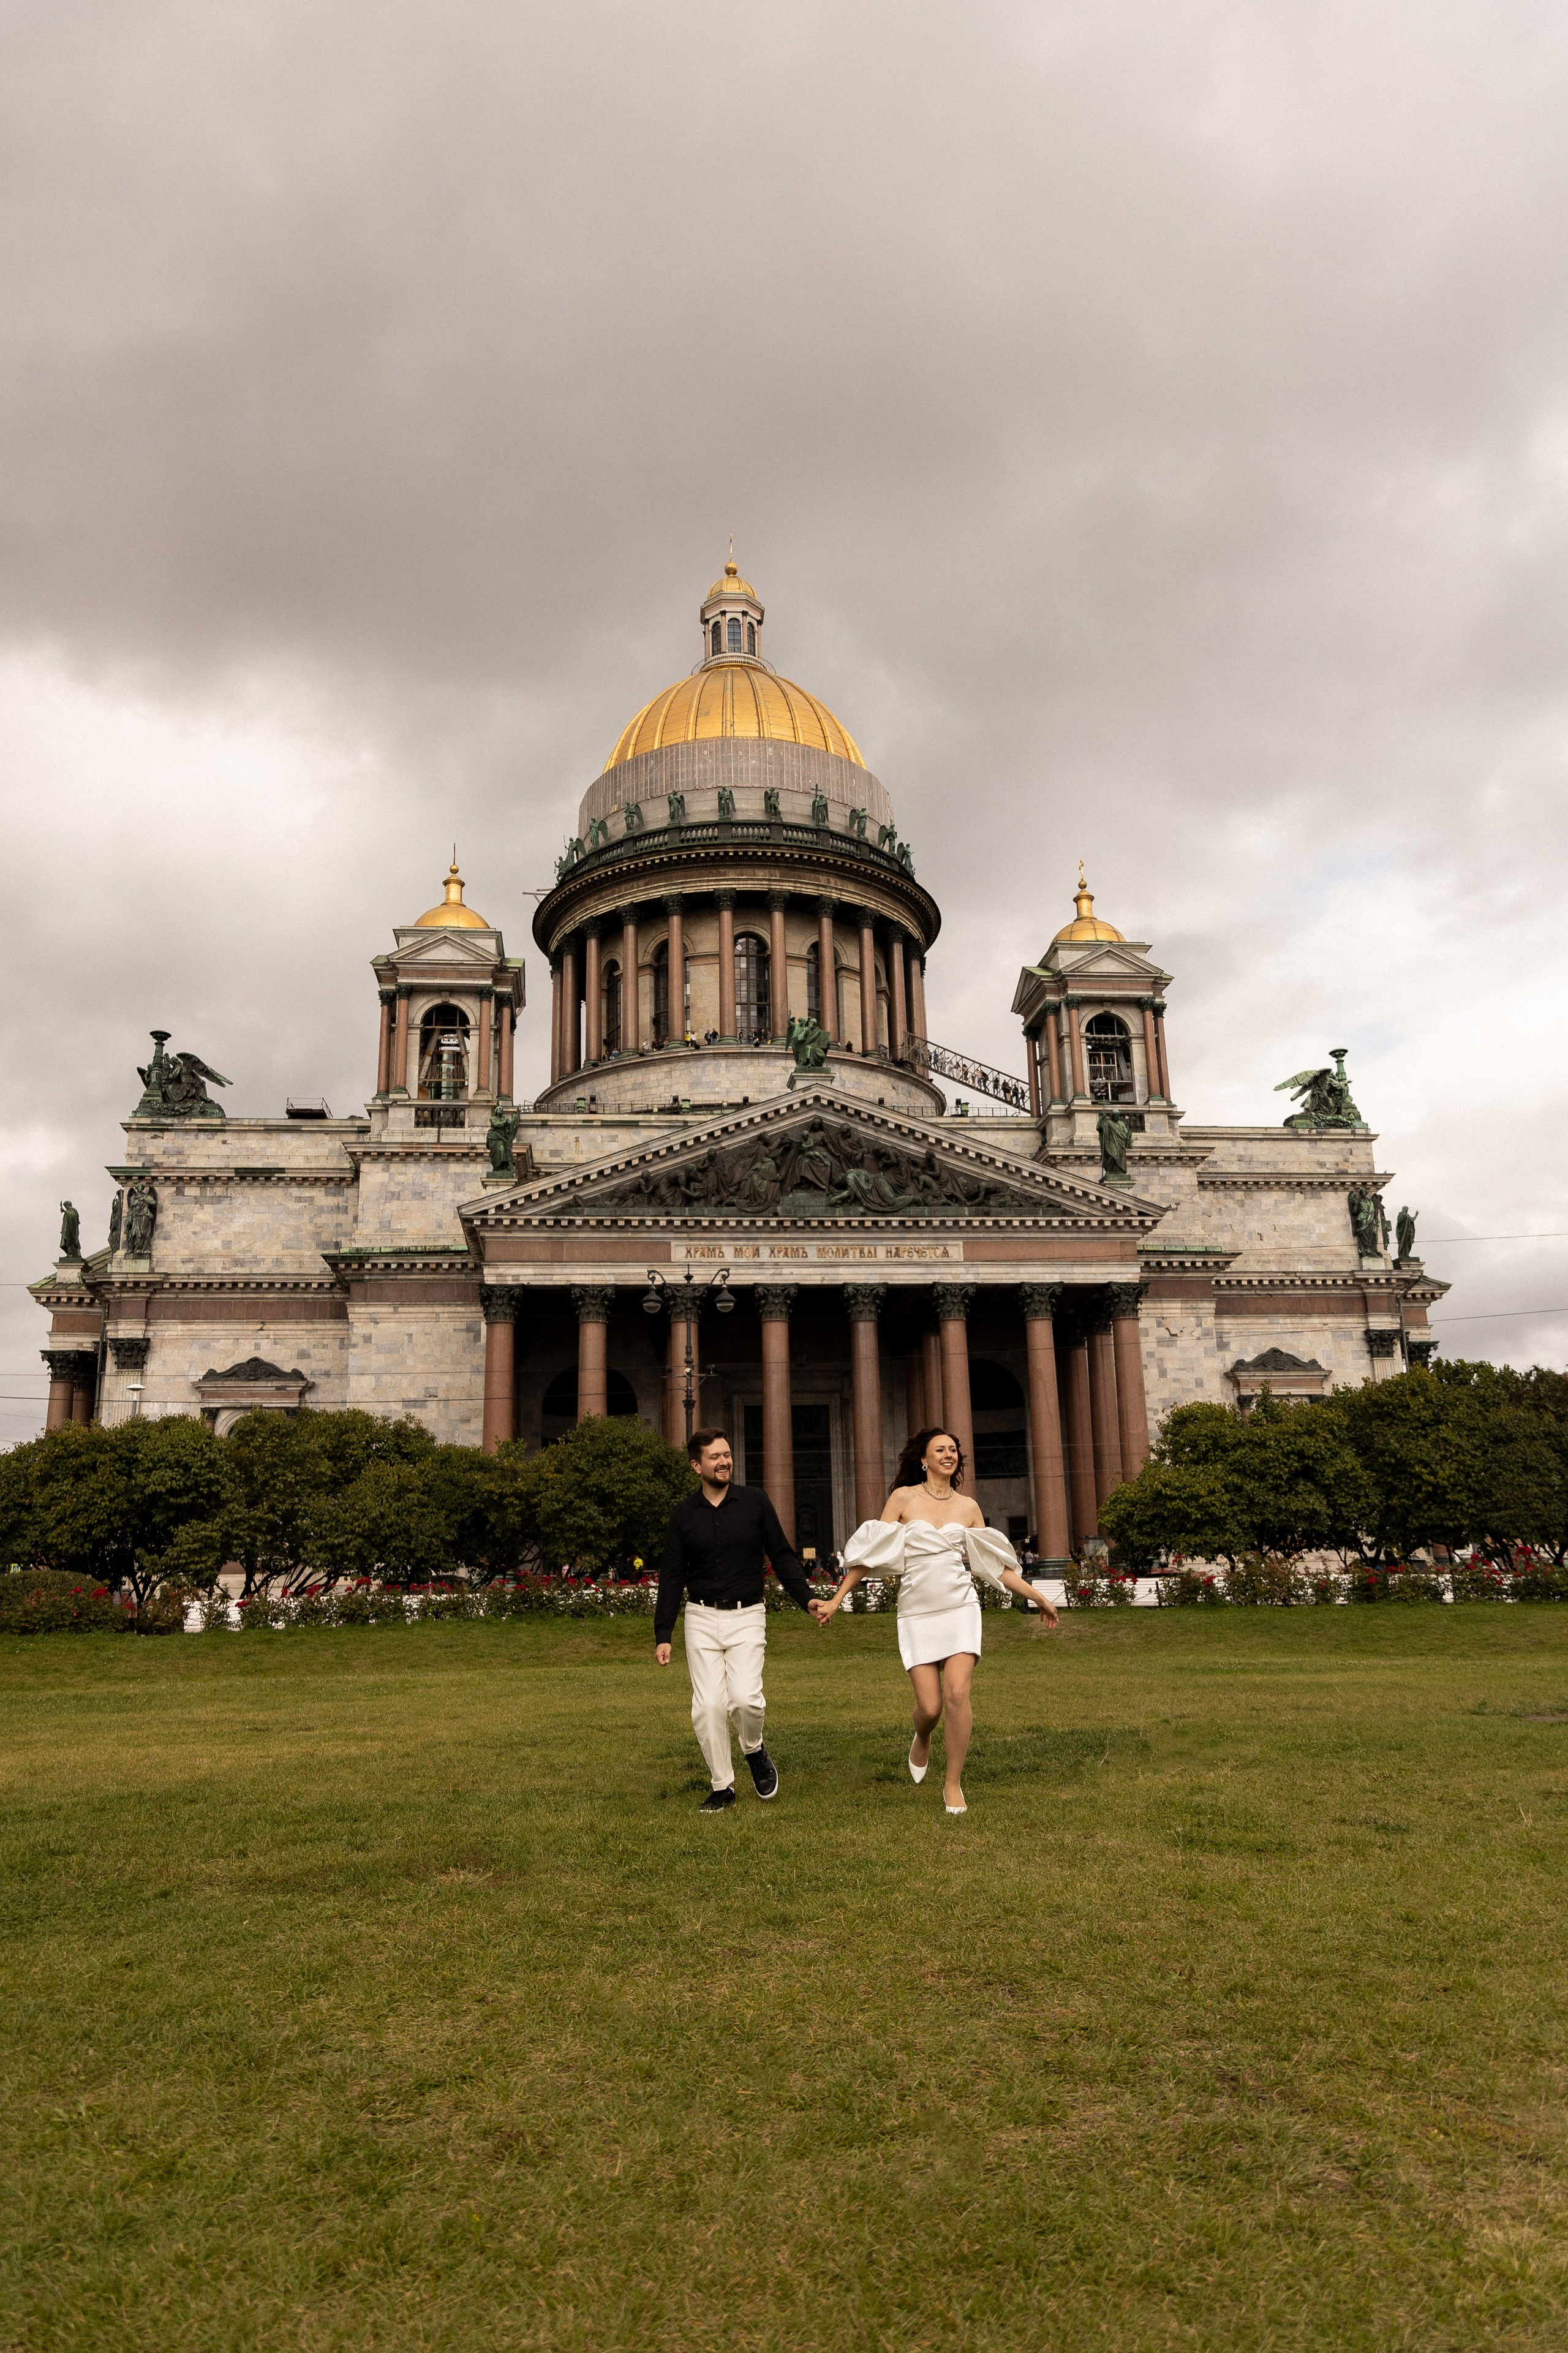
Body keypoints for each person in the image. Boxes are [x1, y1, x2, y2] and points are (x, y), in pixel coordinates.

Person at [812, 1427, 1058, 1815]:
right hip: (917, 1610)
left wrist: (1038, 1597)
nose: (949, 1455)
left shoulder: (969, 1507)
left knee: (957, 1694)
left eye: (953, 1450)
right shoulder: (903, 1498)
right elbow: (871, 1554)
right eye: (940, 1450)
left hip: (960, 1606)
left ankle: (953, 1784)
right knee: (930, 1708)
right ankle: (923, 1736)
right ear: (924, 1460)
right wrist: (837, 1599)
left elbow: (994, 1566)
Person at [655, 1427, 817, 1814]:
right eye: (715, 1457)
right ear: (696, 1466)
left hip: (747, 1616)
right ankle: (722, 1786)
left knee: (746, 1700)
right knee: (708, 1706)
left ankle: (754, 1748)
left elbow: (781, 1555)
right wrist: (664, 1633)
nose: (724, 1462)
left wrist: (807, 1599)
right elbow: (672, 1576)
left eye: (727, 1455)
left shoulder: (755, 1502)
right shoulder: (683, 1514)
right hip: (700, 1618)